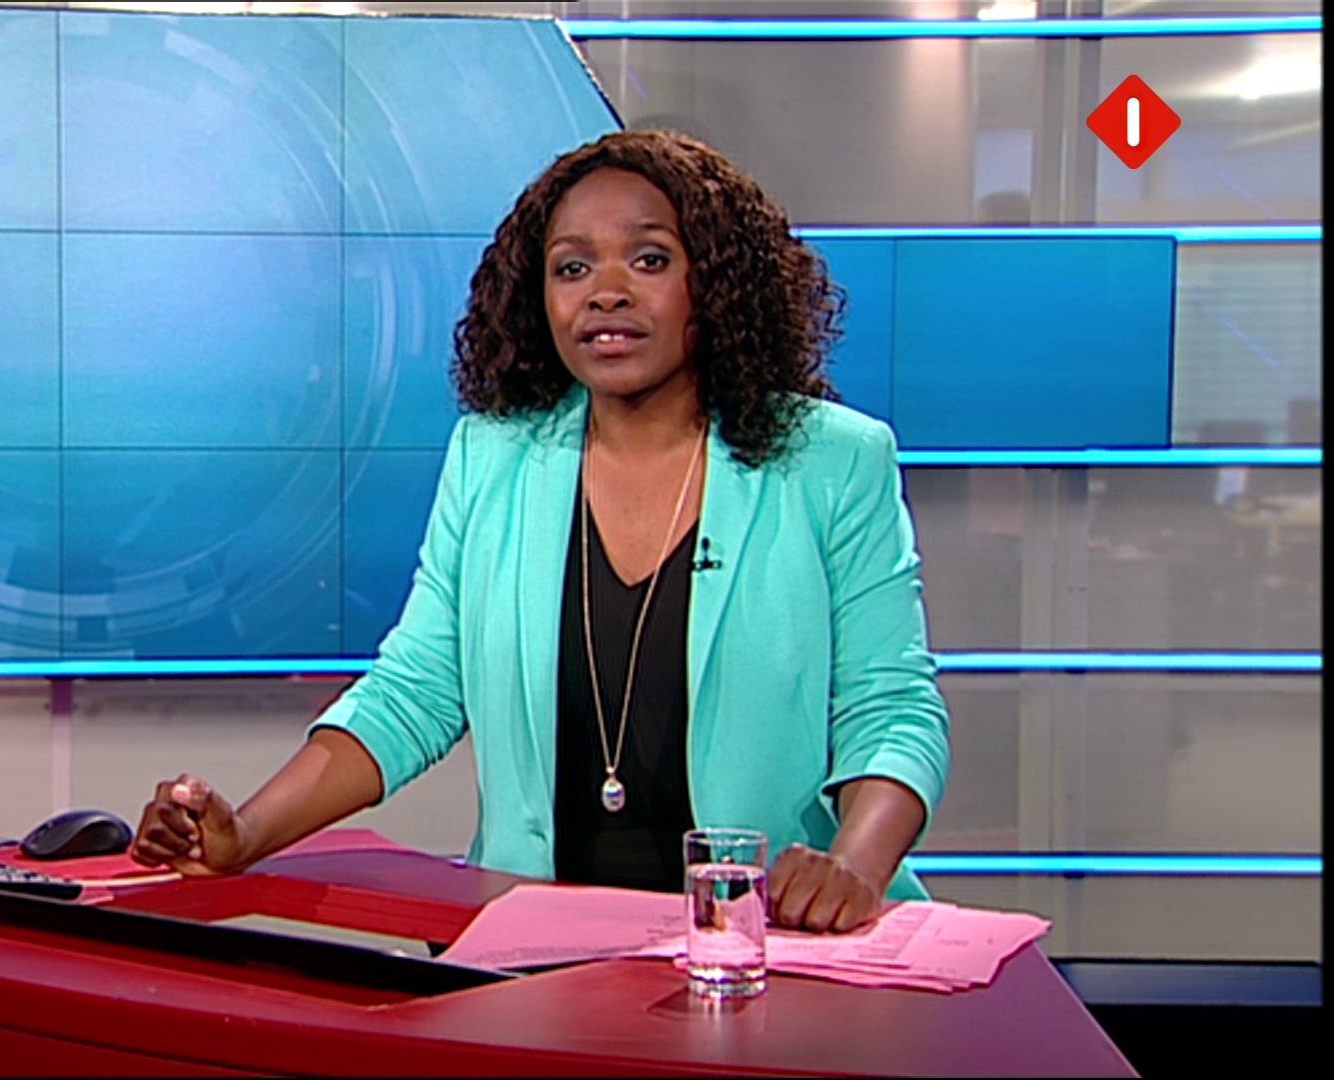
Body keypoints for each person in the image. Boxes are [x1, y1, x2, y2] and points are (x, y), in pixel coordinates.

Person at [129, 129, 950, 934]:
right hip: (537, 946)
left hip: (764, 943)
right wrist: (247, 833)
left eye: (650, 260)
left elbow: (891, 707)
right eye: (572, 267)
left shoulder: (831, 462)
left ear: (717, 285)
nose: (607, 292)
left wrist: (853, 865)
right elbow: (415, 689)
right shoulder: (493, 458)